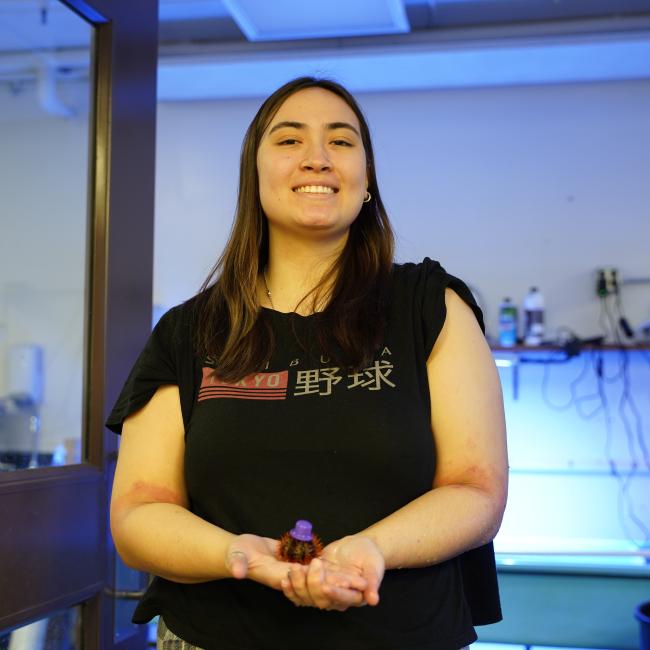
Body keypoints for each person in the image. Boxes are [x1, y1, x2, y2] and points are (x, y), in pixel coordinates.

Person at [107, 76, 508, 650]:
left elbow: (476, 491)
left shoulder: (430, 307)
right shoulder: (188, 331)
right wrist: (239, 554)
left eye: (342, 142)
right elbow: (139, 514)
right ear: (256, 175)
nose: (318, 158)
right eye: (290, 141)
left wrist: (371, 550)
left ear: (366, 181)